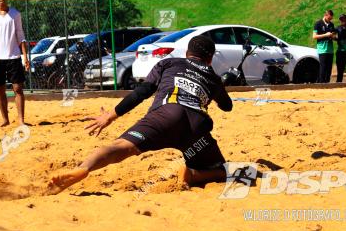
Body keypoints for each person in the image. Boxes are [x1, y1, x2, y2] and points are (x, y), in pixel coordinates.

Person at [48, 34, 233, 194]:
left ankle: (83, 168)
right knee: (224, 171)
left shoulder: (169, 63)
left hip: (166, 114)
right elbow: (227, 107)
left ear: (187, 53)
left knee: (121, 147)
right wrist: (218, 86)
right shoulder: (213, 78)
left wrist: (110, 116)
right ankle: (193, 175)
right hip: (196, 126)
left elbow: (141, 92)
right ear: (210, 59)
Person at [313, 9, 337, 83]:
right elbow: (314, 36)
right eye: (329, 18)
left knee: (329, 68)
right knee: (323, 67)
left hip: (330, 50)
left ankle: (327, 83)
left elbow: (334, 36)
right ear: (325, 15)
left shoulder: (331, 24)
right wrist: (325, 35)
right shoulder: (318, 24)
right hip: (322, 49)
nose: (330, 20)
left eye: (331, 19)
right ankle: (321, 83)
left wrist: (333, 37)